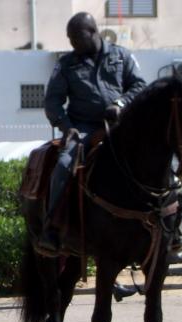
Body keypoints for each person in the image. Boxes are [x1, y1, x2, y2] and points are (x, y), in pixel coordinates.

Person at [38, 11, 147, 299]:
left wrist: (121, 103)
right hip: (83, 129)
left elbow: (139, 85)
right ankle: (52, 227)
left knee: (158, 159)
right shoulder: (66, 64)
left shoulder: (122, 56)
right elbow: (52, 102)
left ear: (92, 32)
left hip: (121, 127)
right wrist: (67, 127)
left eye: (76, 37)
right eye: (70, 39)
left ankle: (167, 228)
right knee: (63, 164)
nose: (72, 43)